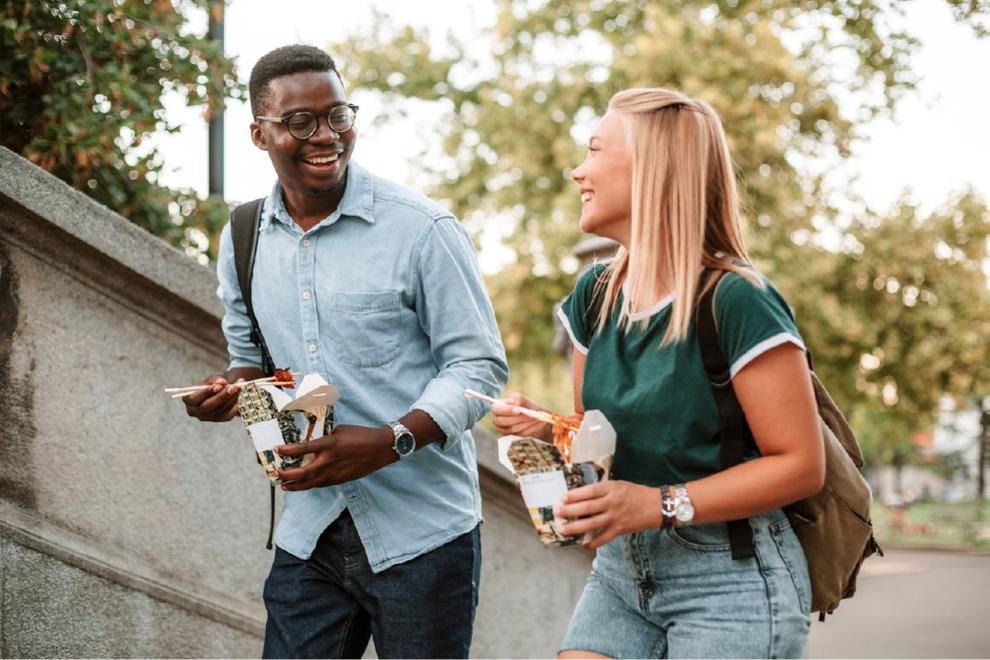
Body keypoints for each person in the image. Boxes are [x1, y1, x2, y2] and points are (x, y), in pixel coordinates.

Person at [182, 45, 508, 659]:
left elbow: (479, 367)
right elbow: (249, 353)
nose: (325, 135)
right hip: (309, 531)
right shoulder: (244, 235)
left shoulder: (423, 230)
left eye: (338, 115)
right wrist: (229, 390)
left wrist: (391, 440)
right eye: (300, 122)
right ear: (260, 133)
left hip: (424, 536)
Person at [492, 88, 824, 658]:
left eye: (595, 150)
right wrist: (547, 429)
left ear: (651, 169)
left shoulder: (737, 299)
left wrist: (657, 504)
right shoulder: (594, 295)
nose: (578, 171)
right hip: (625, 569)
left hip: (730, 577)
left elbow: (800, 466)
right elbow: (597, 438)